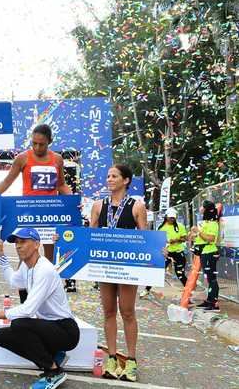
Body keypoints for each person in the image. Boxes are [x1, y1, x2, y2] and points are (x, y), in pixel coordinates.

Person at [0, 228, 79, 389]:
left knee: (20, 324)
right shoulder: (27, 267)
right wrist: (1, 254)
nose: (19, 246)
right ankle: (53, 356)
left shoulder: (44, 270)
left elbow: (28, 310)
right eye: (17, 243)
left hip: (65, 330)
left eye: (23, 242)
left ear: (37, 245)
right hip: (49, 327)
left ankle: (53, 371)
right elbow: (13, 281)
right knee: (1, 336)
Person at [0, 124, 73, 300]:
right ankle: (25, 302)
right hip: (28, 214)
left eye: (41, 144)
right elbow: (7, 181)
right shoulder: (23, 158)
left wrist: (73, 200)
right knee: (25, 258)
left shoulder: (57, 159)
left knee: (50, 261)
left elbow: (61, 185)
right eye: (34, 143)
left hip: (51, 214)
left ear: (49, 142)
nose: (37, 147)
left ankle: (48, 300)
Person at [90, 164, 147, 382]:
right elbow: (89, 236)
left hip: (127, 268)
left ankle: (131, 361)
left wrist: (159, 249)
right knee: (108, 312)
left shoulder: (136, 206)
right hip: (105, 266)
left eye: (114, 176)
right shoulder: (97, 205)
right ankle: (112, 358)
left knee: (128, 312)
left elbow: (145, 238)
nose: (109, 179)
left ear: (126, 180)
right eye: (108, 176)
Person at [140, 208, 188, 298]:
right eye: (170, 218)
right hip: (166, 253)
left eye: (173, 218)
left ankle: (188, 292)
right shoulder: (161, 227)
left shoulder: (180, 226)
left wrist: (177, 240)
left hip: (178, 252)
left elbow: (185, 238)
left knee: (180, 273)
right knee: (158, 271)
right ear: (166, 217)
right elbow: (158, 240)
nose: (172, 219)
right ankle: (147, 289)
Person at [190, 200, 220, 311]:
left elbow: (211, 238)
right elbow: (198, 237)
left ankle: (213, 303)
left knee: (212, 279)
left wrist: (198, 231)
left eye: (203, 207)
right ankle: (209, 300)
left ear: (207, 209)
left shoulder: (213, 223)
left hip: (210, 253)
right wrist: (193, 234)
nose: (201, 209)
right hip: (204, 253)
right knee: (209, 278)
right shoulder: (205, 223)